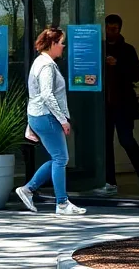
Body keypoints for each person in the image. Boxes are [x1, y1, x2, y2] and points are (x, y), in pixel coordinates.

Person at [15, 28, 87, 216]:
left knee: (58, 158)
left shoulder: (39, 62)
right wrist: (63, 120)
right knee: (61, 158)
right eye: (61, 42)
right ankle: (61, 203)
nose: (63, 46)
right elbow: (46, 95)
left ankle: (28, 189)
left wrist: (30, 123)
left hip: (39, 116)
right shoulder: (47, 66)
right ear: (53, 44)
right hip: (47, 117)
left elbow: (34, 95)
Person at [94, 14, 139, 196]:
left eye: (115, 29)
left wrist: (117, 64)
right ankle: (110, 182)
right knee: (105, 144)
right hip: (103, 105)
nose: (112, 32)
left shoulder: (127, 50)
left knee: (126, 140)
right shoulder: (99, 49)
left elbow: (136, 75)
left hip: (123, 103)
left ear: (120, 29)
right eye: (109, 29)